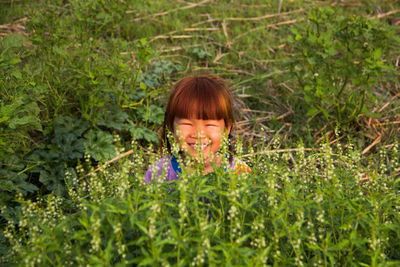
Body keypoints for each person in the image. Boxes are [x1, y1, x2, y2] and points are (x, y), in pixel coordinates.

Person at [145, 75, 251, 183]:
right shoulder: (159, 171)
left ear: (226, 129)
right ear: (171, 127)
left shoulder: (240, 173)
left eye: (209, 125)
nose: (198, 134)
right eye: (187, 124)